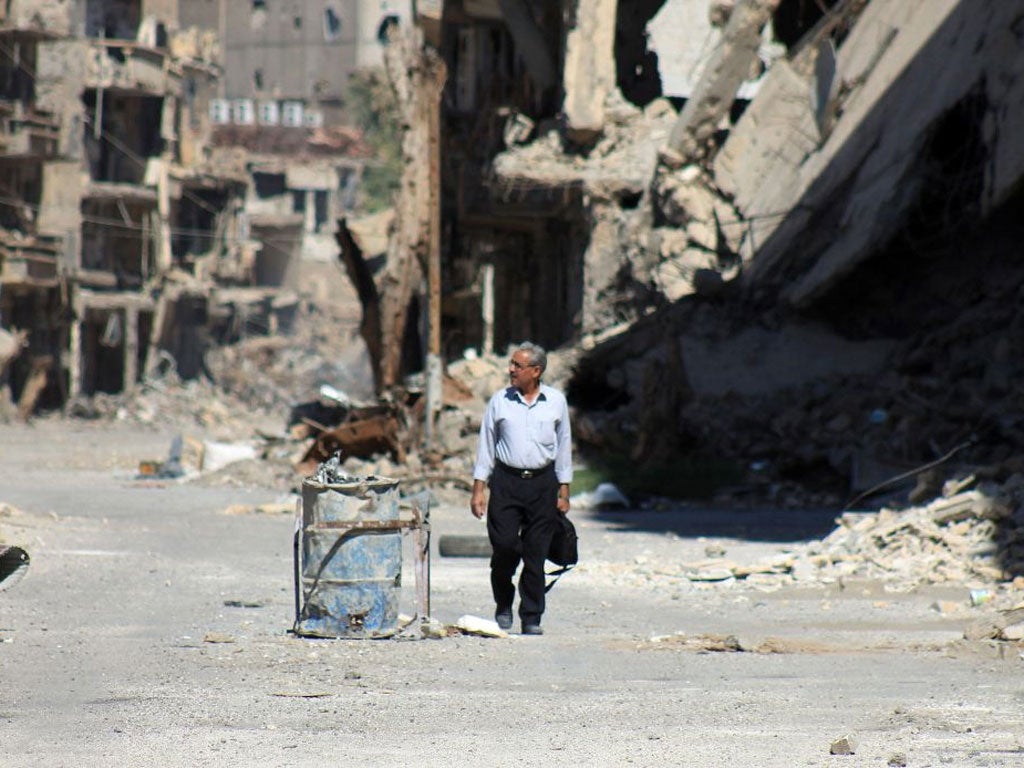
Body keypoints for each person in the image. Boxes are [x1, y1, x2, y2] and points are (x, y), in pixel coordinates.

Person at [471, 341, 572, 635]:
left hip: (543, 483)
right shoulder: (500, 401)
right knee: (504, 546)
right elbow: (486, 447)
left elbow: (564, 446)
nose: (511, 370)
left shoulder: (556, 402)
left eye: (518, 365)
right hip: (506, 482)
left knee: (536, 553)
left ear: (536, 371)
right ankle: (503, 602)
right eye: (512, 364)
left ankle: (531, 616)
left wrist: (563, 490)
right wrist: (479, 489)